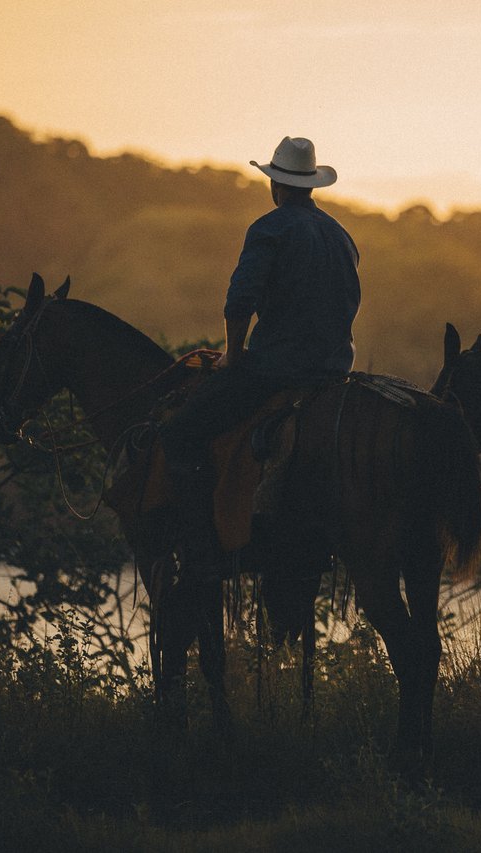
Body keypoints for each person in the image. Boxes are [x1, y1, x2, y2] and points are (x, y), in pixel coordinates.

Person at [161, 136, 361, 573]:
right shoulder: (341, 236)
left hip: (277, 369)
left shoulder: (269, 228)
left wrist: (234, 356)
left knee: (180, 436)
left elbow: (239, 302)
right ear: (311, 186)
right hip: (334, 372)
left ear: (276, 185)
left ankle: (202, 553)